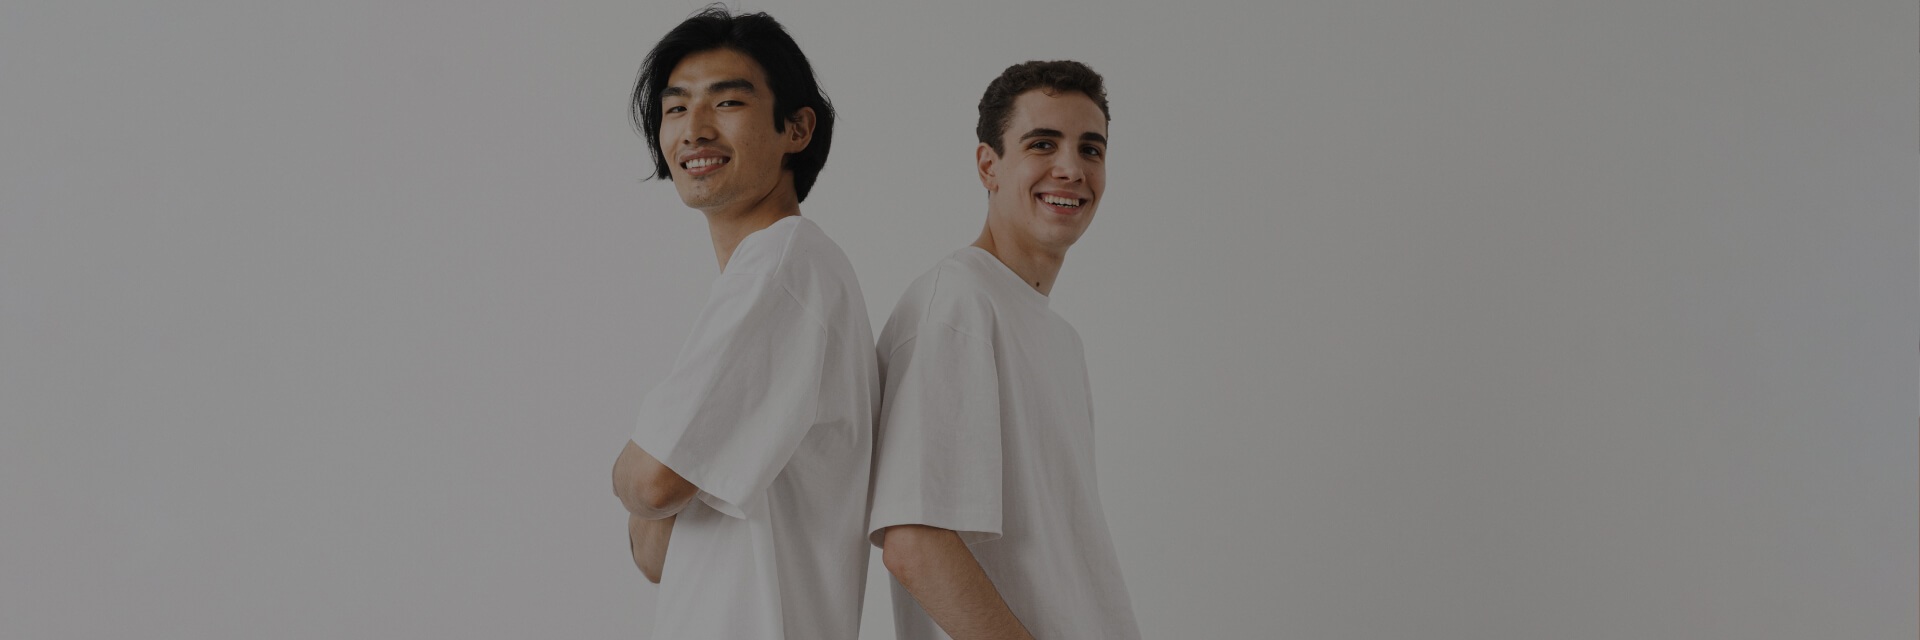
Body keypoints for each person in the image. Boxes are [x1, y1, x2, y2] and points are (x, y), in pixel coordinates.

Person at [610, 7, 875, 639]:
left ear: (797, 128)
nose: (694, 130)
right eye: (675, 109)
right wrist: (654, 472)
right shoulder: (762, 281)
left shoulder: (784, 267)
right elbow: (655, 558)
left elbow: (650, 482)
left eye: (727, 103)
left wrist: (631, 468)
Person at [868, 60, 1141, 640]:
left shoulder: (1059, 338)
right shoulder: (959, 302)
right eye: (1043, 144)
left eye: (1091, 150)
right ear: (988, 165)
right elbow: (914, 540)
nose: (1071, 168)